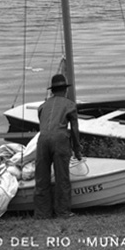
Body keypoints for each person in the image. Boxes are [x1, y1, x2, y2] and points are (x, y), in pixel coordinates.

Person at [34, 73, 82, 219]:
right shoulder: (70, 105)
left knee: (42, 178)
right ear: (65, 90)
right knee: (62, 178)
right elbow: (74, 130)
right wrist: (77, 150)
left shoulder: (42, 107)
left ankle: (42, 213)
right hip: (60, 140)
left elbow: (43, 125)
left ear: (52, 91)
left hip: (42, 140)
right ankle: (63, 211)